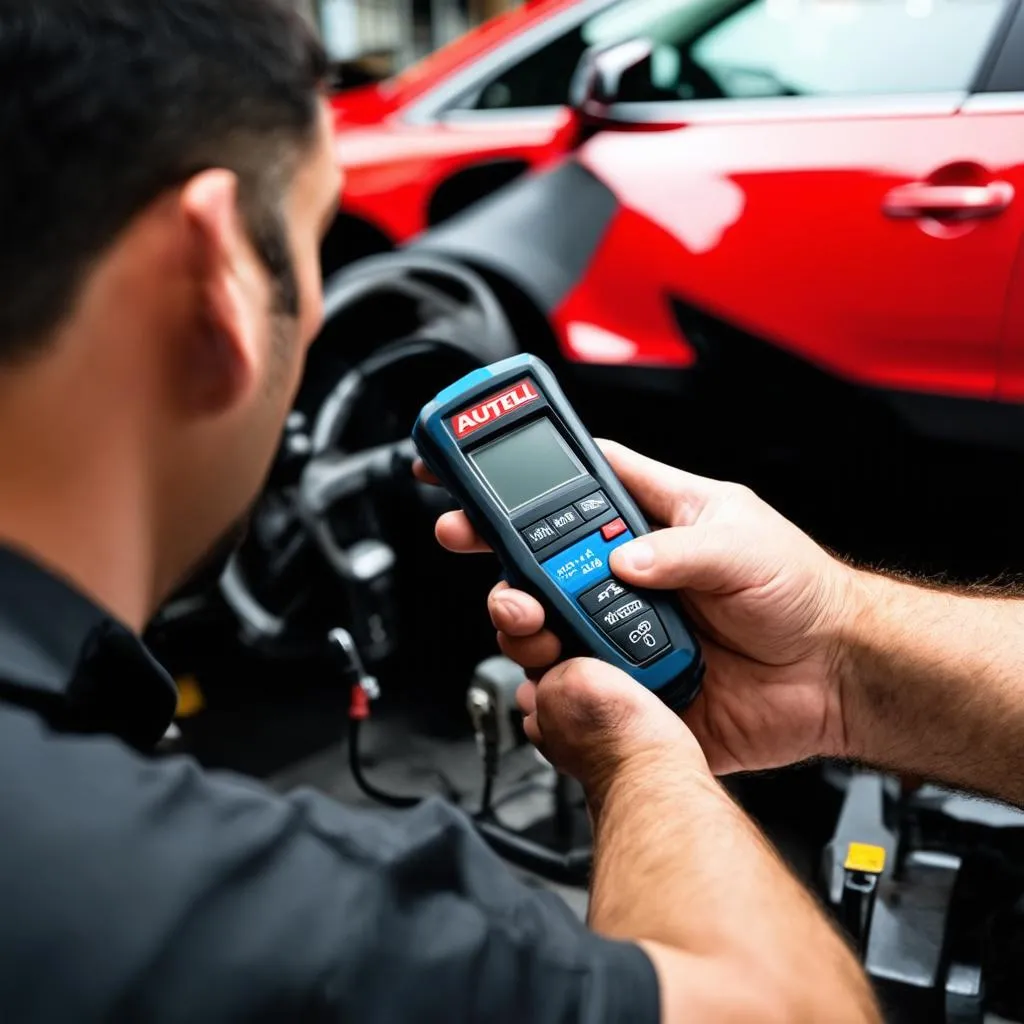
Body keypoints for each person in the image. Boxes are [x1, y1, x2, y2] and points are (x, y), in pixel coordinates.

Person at [0, 1, 876, 1021]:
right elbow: (795, 1007)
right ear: (217, 278)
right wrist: (640, 756)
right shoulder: (239, 908)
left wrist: (839, 657)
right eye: (318, 240)